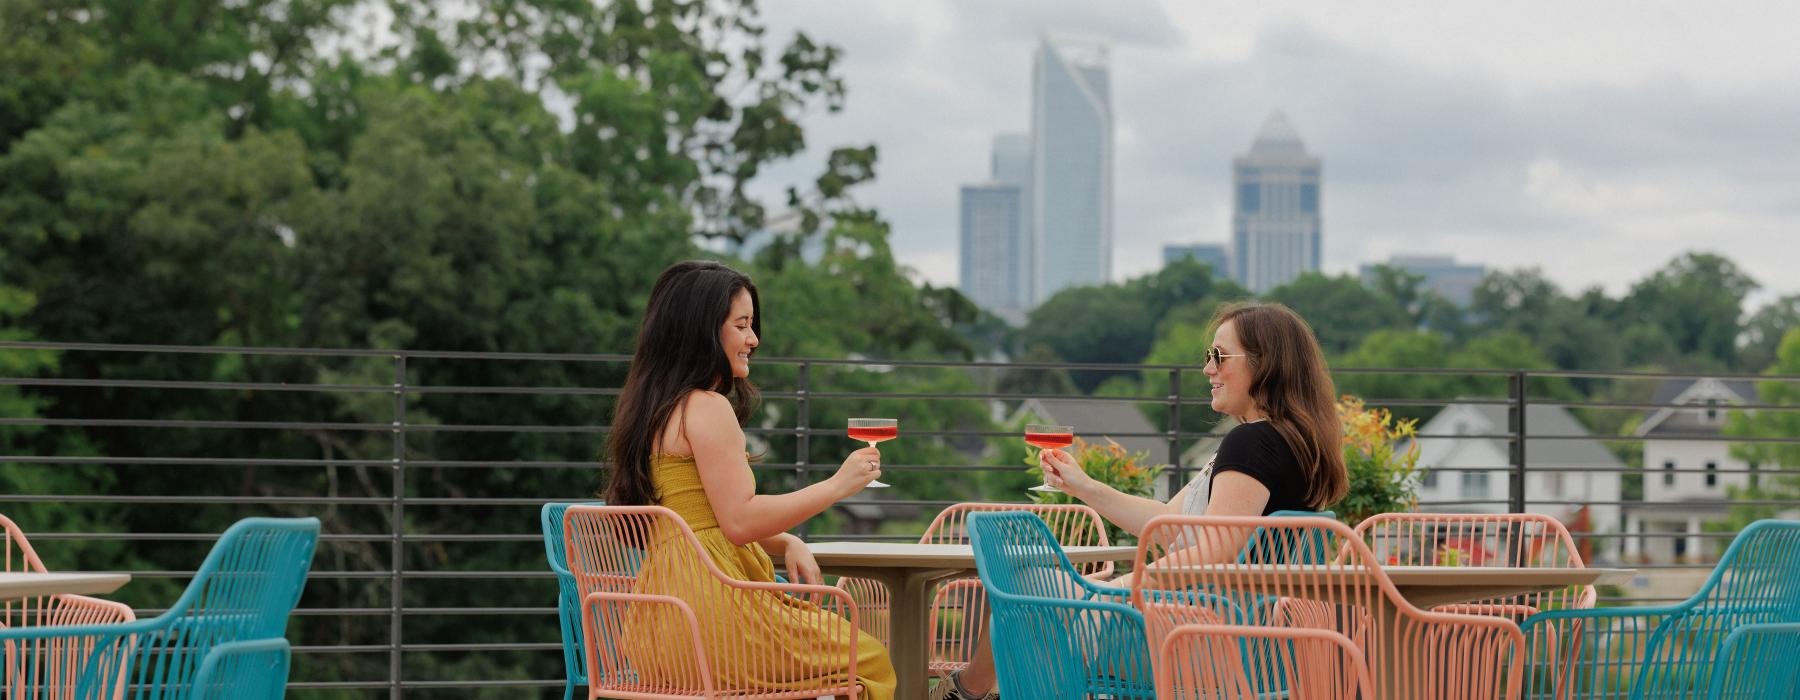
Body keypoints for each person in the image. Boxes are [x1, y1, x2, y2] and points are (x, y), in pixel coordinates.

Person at [930, 301, 1347, 700]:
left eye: (1219, 356)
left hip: (1200, 642)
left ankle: (963, 693)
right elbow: (1169, 521)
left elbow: (1216, 550)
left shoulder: (1252, 443)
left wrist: (1129, 584)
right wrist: (1085, 486)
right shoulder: (1294, 444)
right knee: (1043, 598)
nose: (1207, 369)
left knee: (1023, 589)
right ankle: (971, 692)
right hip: (1249, 642)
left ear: (1263, 362)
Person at [607, 260, 896, 699]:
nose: (753, 340)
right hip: (714, 626)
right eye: (741, 325)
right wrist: (838, 485)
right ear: (702, 331)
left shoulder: (653, 411)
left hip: (657, 630)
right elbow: (739, 522)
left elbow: (705, 524)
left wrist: (787, 542)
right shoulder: (707, 407)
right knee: (869, 655)